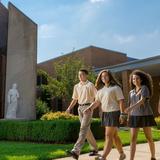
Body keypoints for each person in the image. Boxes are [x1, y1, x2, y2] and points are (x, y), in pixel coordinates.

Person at [85, 69, 126, 160]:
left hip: (114, 113)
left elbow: (121, 101)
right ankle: (122, 154)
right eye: (102, 76)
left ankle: (103, 157)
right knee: (114, 136)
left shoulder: (115, 88)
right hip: (105, 114)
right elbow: (97, 102)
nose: (104, 78)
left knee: (108, 135)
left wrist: (122, 114)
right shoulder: (100, 90)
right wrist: (90, 108)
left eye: (106, 76)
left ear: (110, 76)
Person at [66, 69, 98, 160]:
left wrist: (91, 107)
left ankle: (76, 151)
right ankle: (95, 148)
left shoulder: (90, 85)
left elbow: (97, 98)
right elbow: (75, 99)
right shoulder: (76, 86)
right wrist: (69, 108)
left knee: (83, 128)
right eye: (79, 75)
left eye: (82, 75)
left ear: (86, 75)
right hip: (79, 108)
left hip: (88, 108)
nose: (80, 76)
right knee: (86, 130)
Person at [125, 70, 157, 160]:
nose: (135, 80)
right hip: (134, 117)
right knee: (133, 139)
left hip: (145, 115)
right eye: (133, 79)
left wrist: (130, 109)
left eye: (137, 78)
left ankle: (153, 156)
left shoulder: (144, 88)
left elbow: (142, 101)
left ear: (141, 79)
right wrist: (128, 117)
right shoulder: (131, 92)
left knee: (148, 137)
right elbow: (130, 104)